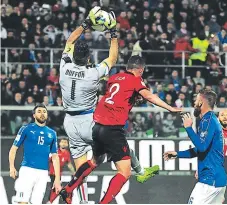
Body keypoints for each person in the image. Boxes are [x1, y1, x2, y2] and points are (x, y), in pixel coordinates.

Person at [49, 8, 159, 204]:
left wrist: (85, 24)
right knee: (117, 149)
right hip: (89, 120)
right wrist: (114, 34)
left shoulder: (64, 67)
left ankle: (76, 197)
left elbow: (69, 42)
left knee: (82, 167)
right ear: (89, 58)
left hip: (69, 122)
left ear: (73, 55)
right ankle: (140, 170)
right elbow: (112, 58)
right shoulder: (93, 73)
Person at [53, 55, 181, 204]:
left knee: (95, 161)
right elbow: (149, 97)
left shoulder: (114, 77)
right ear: (141, 70)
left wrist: (133, 97)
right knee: (124, 172)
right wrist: (169, 108)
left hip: (97, 126)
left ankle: (68, 190)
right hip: (112, 129)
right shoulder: (136, 80)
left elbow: (118, 95)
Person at [164, 89, 227, 204]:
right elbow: (200, 150)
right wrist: (178, 154)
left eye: (196, 100)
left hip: (209, 181)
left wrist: (188, 128)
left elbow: (202, 147)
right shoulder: (210, 120)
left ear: (201, 103)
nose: (194, 103)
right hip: (217, 181)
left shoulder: (208, 121)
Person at [8, 104, 61, 204]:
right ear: (34, 115)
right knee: (22, 201)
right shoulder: (26, 129)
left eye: (44, 112)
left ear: (47, 115)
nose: (42, 114)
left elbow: (55, 157)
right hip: (27, 170)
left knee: (37, 202)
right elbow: (13, 149)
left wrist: (57, 179)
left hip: (43, 173)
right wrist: (11, 166)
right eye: (39, 112)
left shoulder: (52, 133)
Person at [47, 138, 75, 204]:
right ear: (59, 143)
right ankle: (50, 201)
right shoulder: (55, 151)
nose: (64, 144)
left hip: (59, 174)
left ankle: (50, 201)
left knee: (56, 188)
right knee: (57, 188)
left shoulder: (67, 153)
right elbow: (48, 159)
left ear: (67, 144)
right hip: (52, 173)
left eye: (65, 142)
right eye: (62, 142)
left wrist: (74, 172)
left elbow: (69, 164)